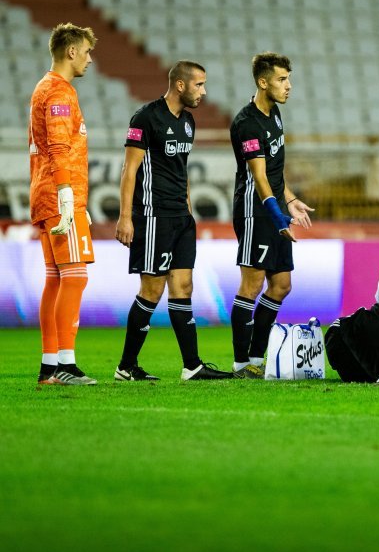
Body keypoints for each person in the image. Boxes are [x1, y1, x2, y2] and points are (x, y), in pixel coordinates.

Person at [114, 61, 231, 381]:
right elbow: (129, 170)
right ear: (180, 85)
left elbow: (182, 169)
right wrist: (126, 217)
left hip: (181, 218)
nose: (204, 92)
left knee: (183, 287)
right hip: (153, 216)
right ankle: (125, 367)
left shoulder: (188, 122)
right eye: (199, 85)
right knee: (151, 290)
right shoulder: (145, 117)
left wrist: (189, 209)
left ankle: (191, 365)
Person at [228, 52, 314, 379]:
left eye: (288, 79)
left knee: (281, 285)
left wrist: (290, 199)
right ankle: (240, 364)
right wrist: (279, 219)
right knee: (251, 286)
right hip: (255, 212)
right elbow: (260, 178)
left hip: (276, 209)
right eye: (282, 80)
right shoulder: (246, 123)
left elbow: (276, 173)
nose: (289, 86)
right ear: (263, 83)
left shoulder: (275, 113)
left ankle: (255, 356)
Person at [30, 23, 98, 385]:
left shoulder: (45, 87)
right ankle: (65, 364)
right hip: (60, 198)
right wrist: (68, 196)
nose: (89, 58)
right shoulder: (59, 91)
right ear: (71, 51)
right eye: (86, 51)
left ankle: (49, 366)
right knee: (75, 276)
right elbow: (58, 148)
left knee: (56, 279)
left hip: (47, 195)